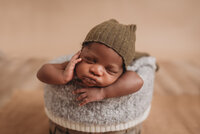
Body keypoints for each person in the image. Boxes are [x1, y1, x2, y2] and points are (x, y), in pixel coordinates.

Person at [37, 19, 158, 134]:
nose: (96, 70)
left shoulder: (123, 76)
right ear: (80, 53)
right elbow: (42, 72)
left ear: (122, 72)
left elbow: (138, 81)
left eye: (109, 70)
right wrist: (62, 76)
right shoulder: (73, 66)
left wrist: (103, 93)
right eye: (90, 60)